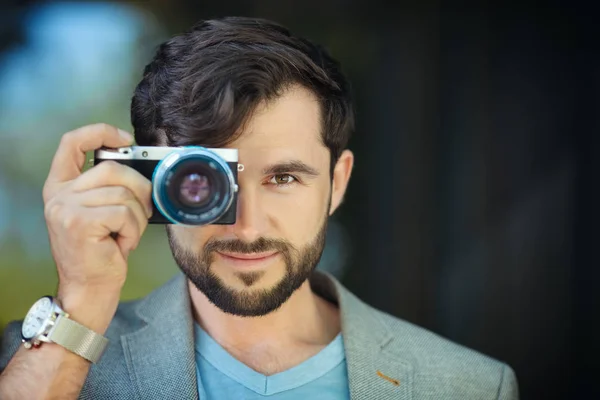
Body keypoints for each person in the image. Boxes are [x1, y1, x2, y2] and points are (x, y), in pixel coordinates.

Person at [0, 16, 518, 399]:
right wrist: (81, 305)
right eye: (205, 182)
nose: (246, 226)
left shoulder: (469, 386)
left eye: (284, 177)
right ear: (151, 181)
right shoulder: (34, 363)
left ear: (337, 184)